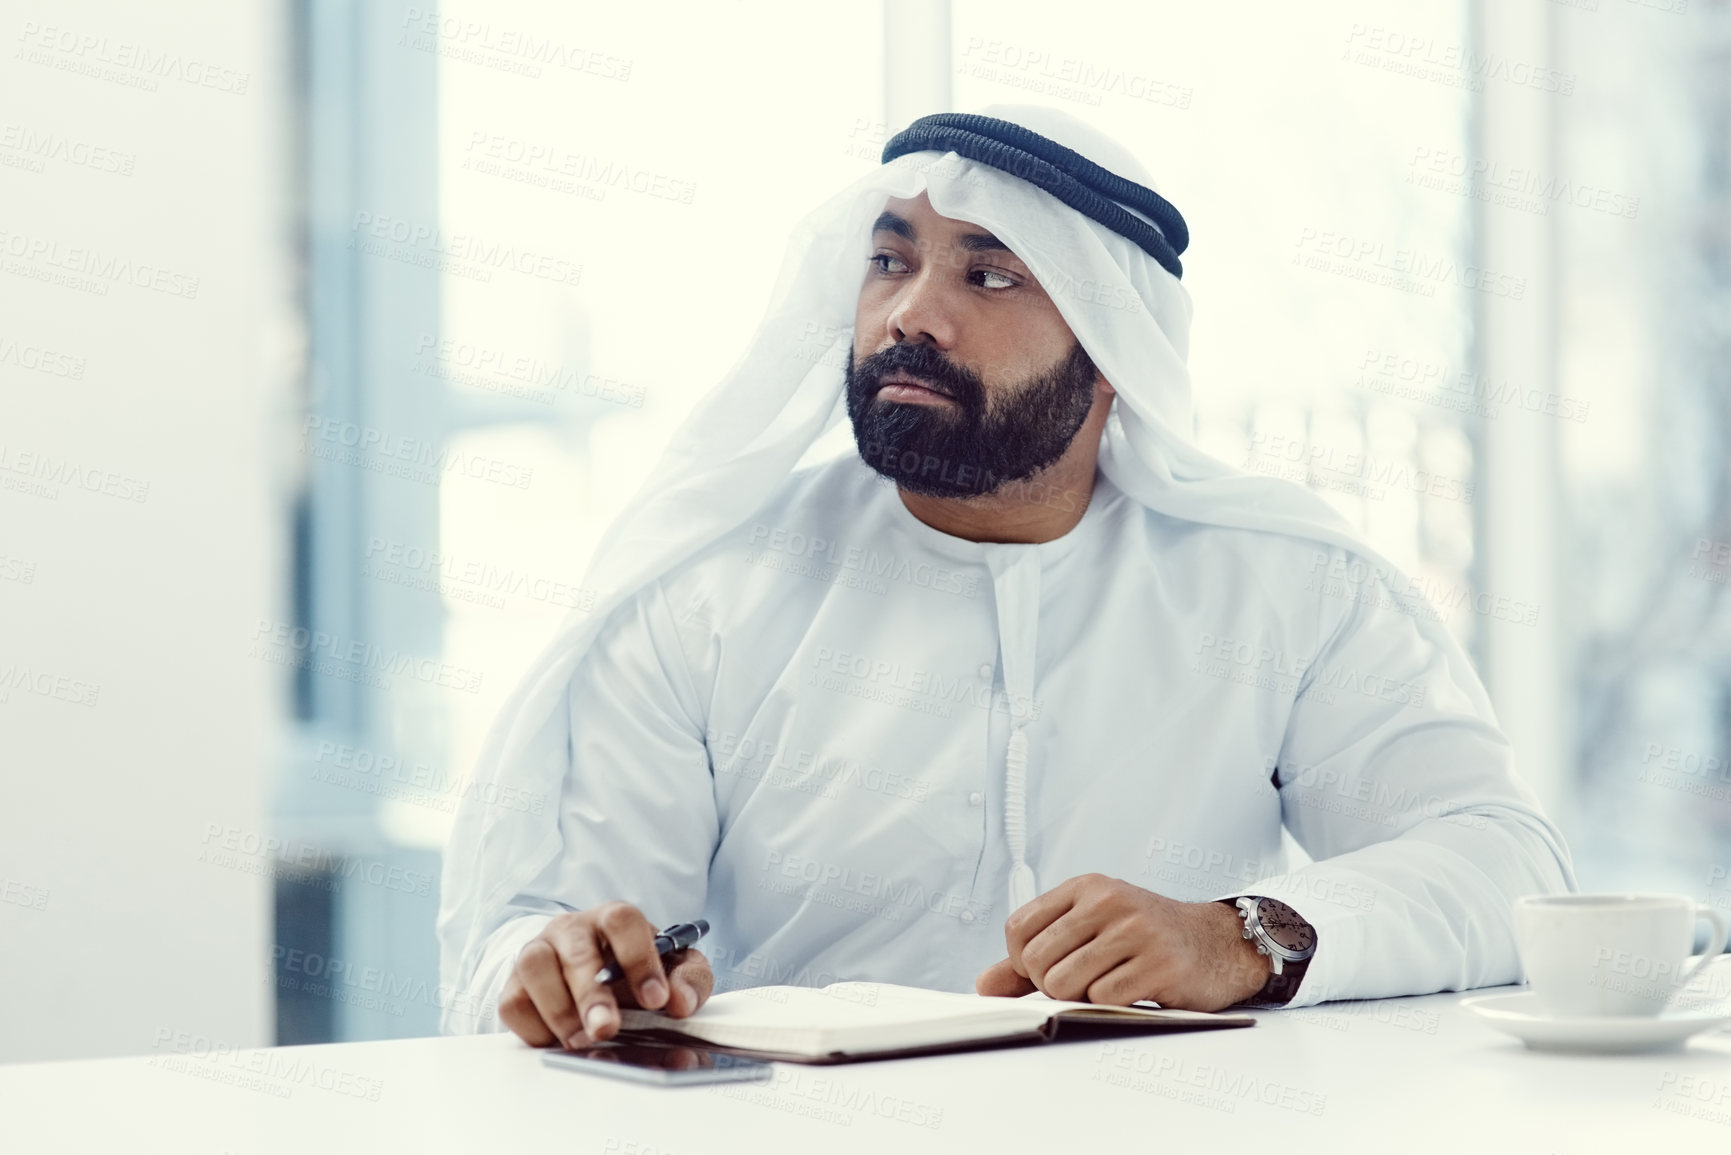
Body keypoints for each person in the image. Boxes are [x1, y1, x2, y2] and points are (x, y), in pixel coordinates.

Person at [436, 106, 1575, 1049]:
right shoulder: (708, 592)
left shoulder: (1285, 586)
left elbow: (1503, 865)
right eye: (890, 261)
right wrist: (570, 973)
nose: (910, 315)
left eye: (989, 276)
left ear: (1115, 351)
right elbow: (553, 936)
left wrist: (1242, 937)